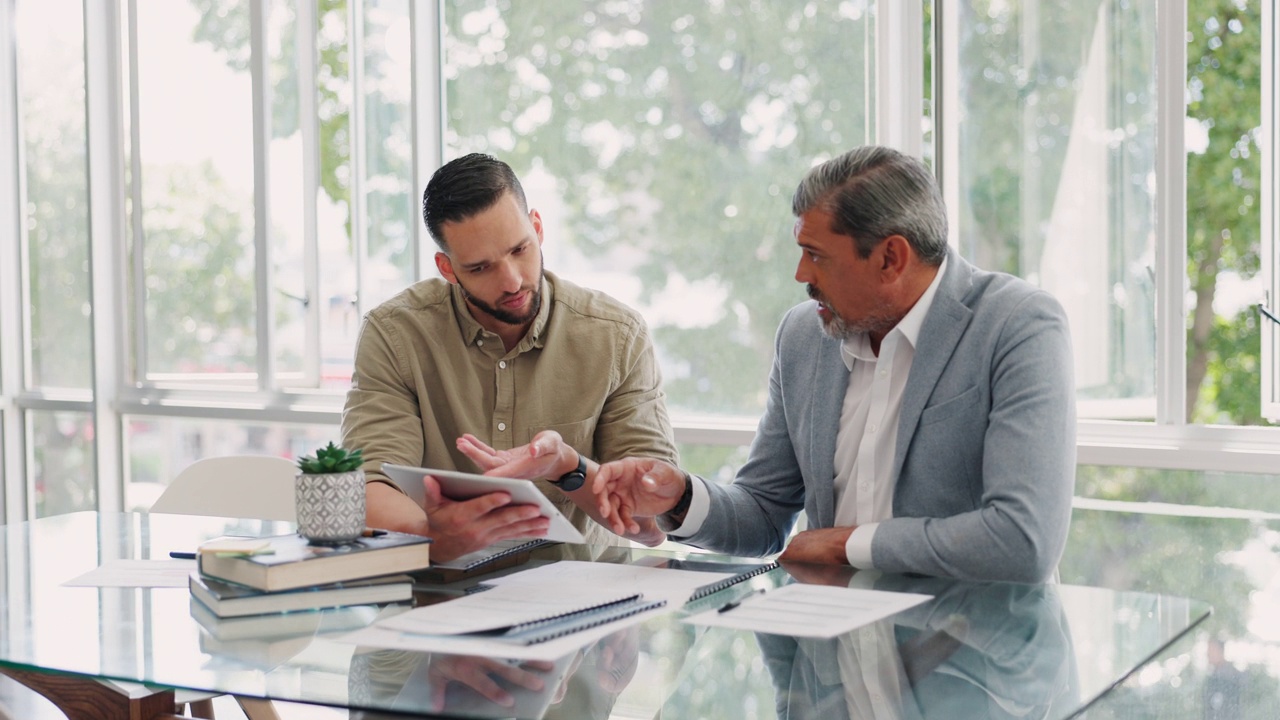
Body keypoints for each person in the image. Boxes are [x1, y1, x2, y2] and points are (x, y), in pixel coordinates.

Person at [589, 145, 1076, 583]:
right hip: (832, 659)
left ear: (891, 258)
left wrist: (849, 545)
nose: (801, 274)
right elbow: (763, 512)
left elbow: (1022, 539)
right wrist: (680, 498)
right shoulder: (804, 335)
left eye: (815, 255)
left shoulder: (1018, 325)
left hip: (976, 661)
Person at [340, 153, 677, 562]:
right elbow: (369, 485)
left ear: (537, 227)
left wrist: (566, 468)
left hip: (584, 602)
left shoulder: (616, 336)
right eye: (480, 268)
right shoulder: (395, 335)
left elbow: (651, 525)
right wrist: (432, 535)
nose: (512, 280)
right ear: (447, 269)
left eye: (520, 249)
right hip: (441, 597)